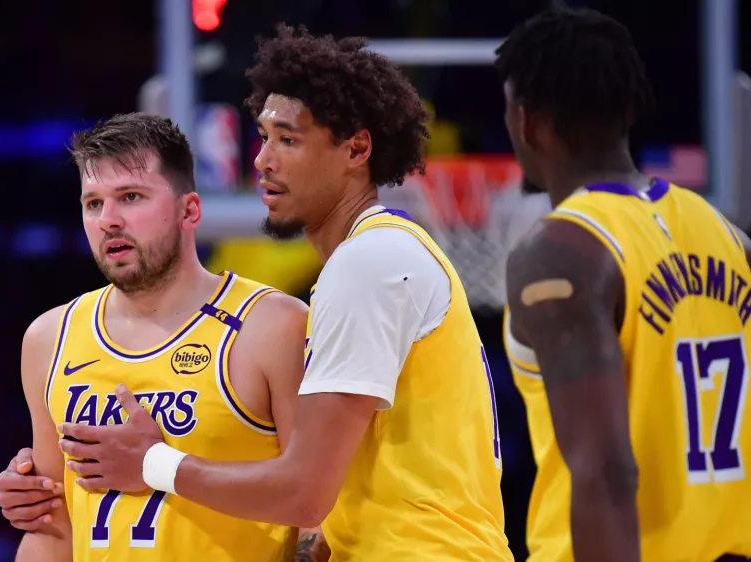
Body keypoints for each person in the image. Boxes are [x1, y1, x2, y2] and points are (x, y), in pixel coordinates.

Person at [53, 25, 513, 561]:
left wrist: (152, 464)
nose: (262, 161)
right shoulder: (375, 257)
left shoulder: (368, 264)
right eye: (264, 137)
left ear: (356, 148)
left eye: (288, 140)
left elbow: (304, 493)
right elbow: (334, 493)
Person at [6, 111, 329, 561]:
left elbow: (319, 514)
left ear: (189, 210)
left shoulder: (272, 326)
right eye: (93, 203)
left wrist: (157, 465)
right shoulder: (48, 338)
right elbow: (51, 527)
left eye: (131, 197)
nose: (109, 220)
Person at [497, 8, 751, 562]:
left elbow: (606, 471)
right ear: (630, 109)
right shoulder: (729, 236)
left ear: (527, 121)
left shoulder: (562, 252)